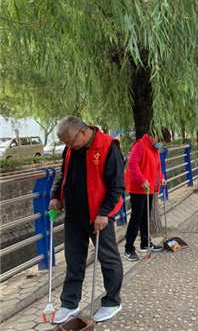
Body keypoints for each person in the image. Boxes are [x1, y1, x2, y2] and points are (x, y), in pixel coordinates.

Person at [49, 116, 125, 324]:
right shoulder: (71, 149)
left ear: (82, 132)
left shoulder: (108, 147)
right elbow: (64, 175)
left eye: (70, 141)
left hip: (99, 215)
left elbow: (117, 185)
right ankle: (69, 304)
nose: (69, 146)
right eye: (65, 143)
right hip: (74, 215)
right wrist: (56, 196)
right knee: (74, 260)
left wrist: (104, 213)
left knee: (107, 258)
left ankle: (112, 302)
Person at [123, 129, 170, 262]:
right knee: (136, 217)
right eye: (161, 141)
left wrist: (161, 177)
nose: (161, 144)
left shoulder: (154, 148)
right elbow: (132, 164)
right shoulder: (140, 145)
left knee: (146, 216)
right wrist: (141, 180)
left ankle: (145, 243)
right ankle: (129, 248)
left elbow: (156, 166)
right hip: (139, 187)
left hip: (148, 187)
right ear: (155, 136)